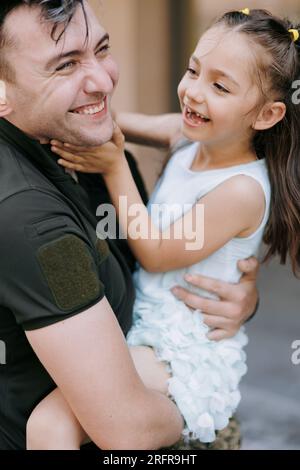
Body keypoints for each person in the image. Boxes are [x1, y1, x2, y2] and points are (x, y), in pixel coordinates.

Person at [27, 7, 300, 448]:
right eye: (193, 70)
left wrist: (115, 167)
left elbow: (154, 252)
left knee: (52, 424)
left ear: (267, 115)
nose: (193, 91)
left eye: (220, 86)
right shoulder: (188, 136)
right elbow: (114, 125)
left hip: (180, 357)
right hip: (145, 334)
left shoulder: (241, 190)